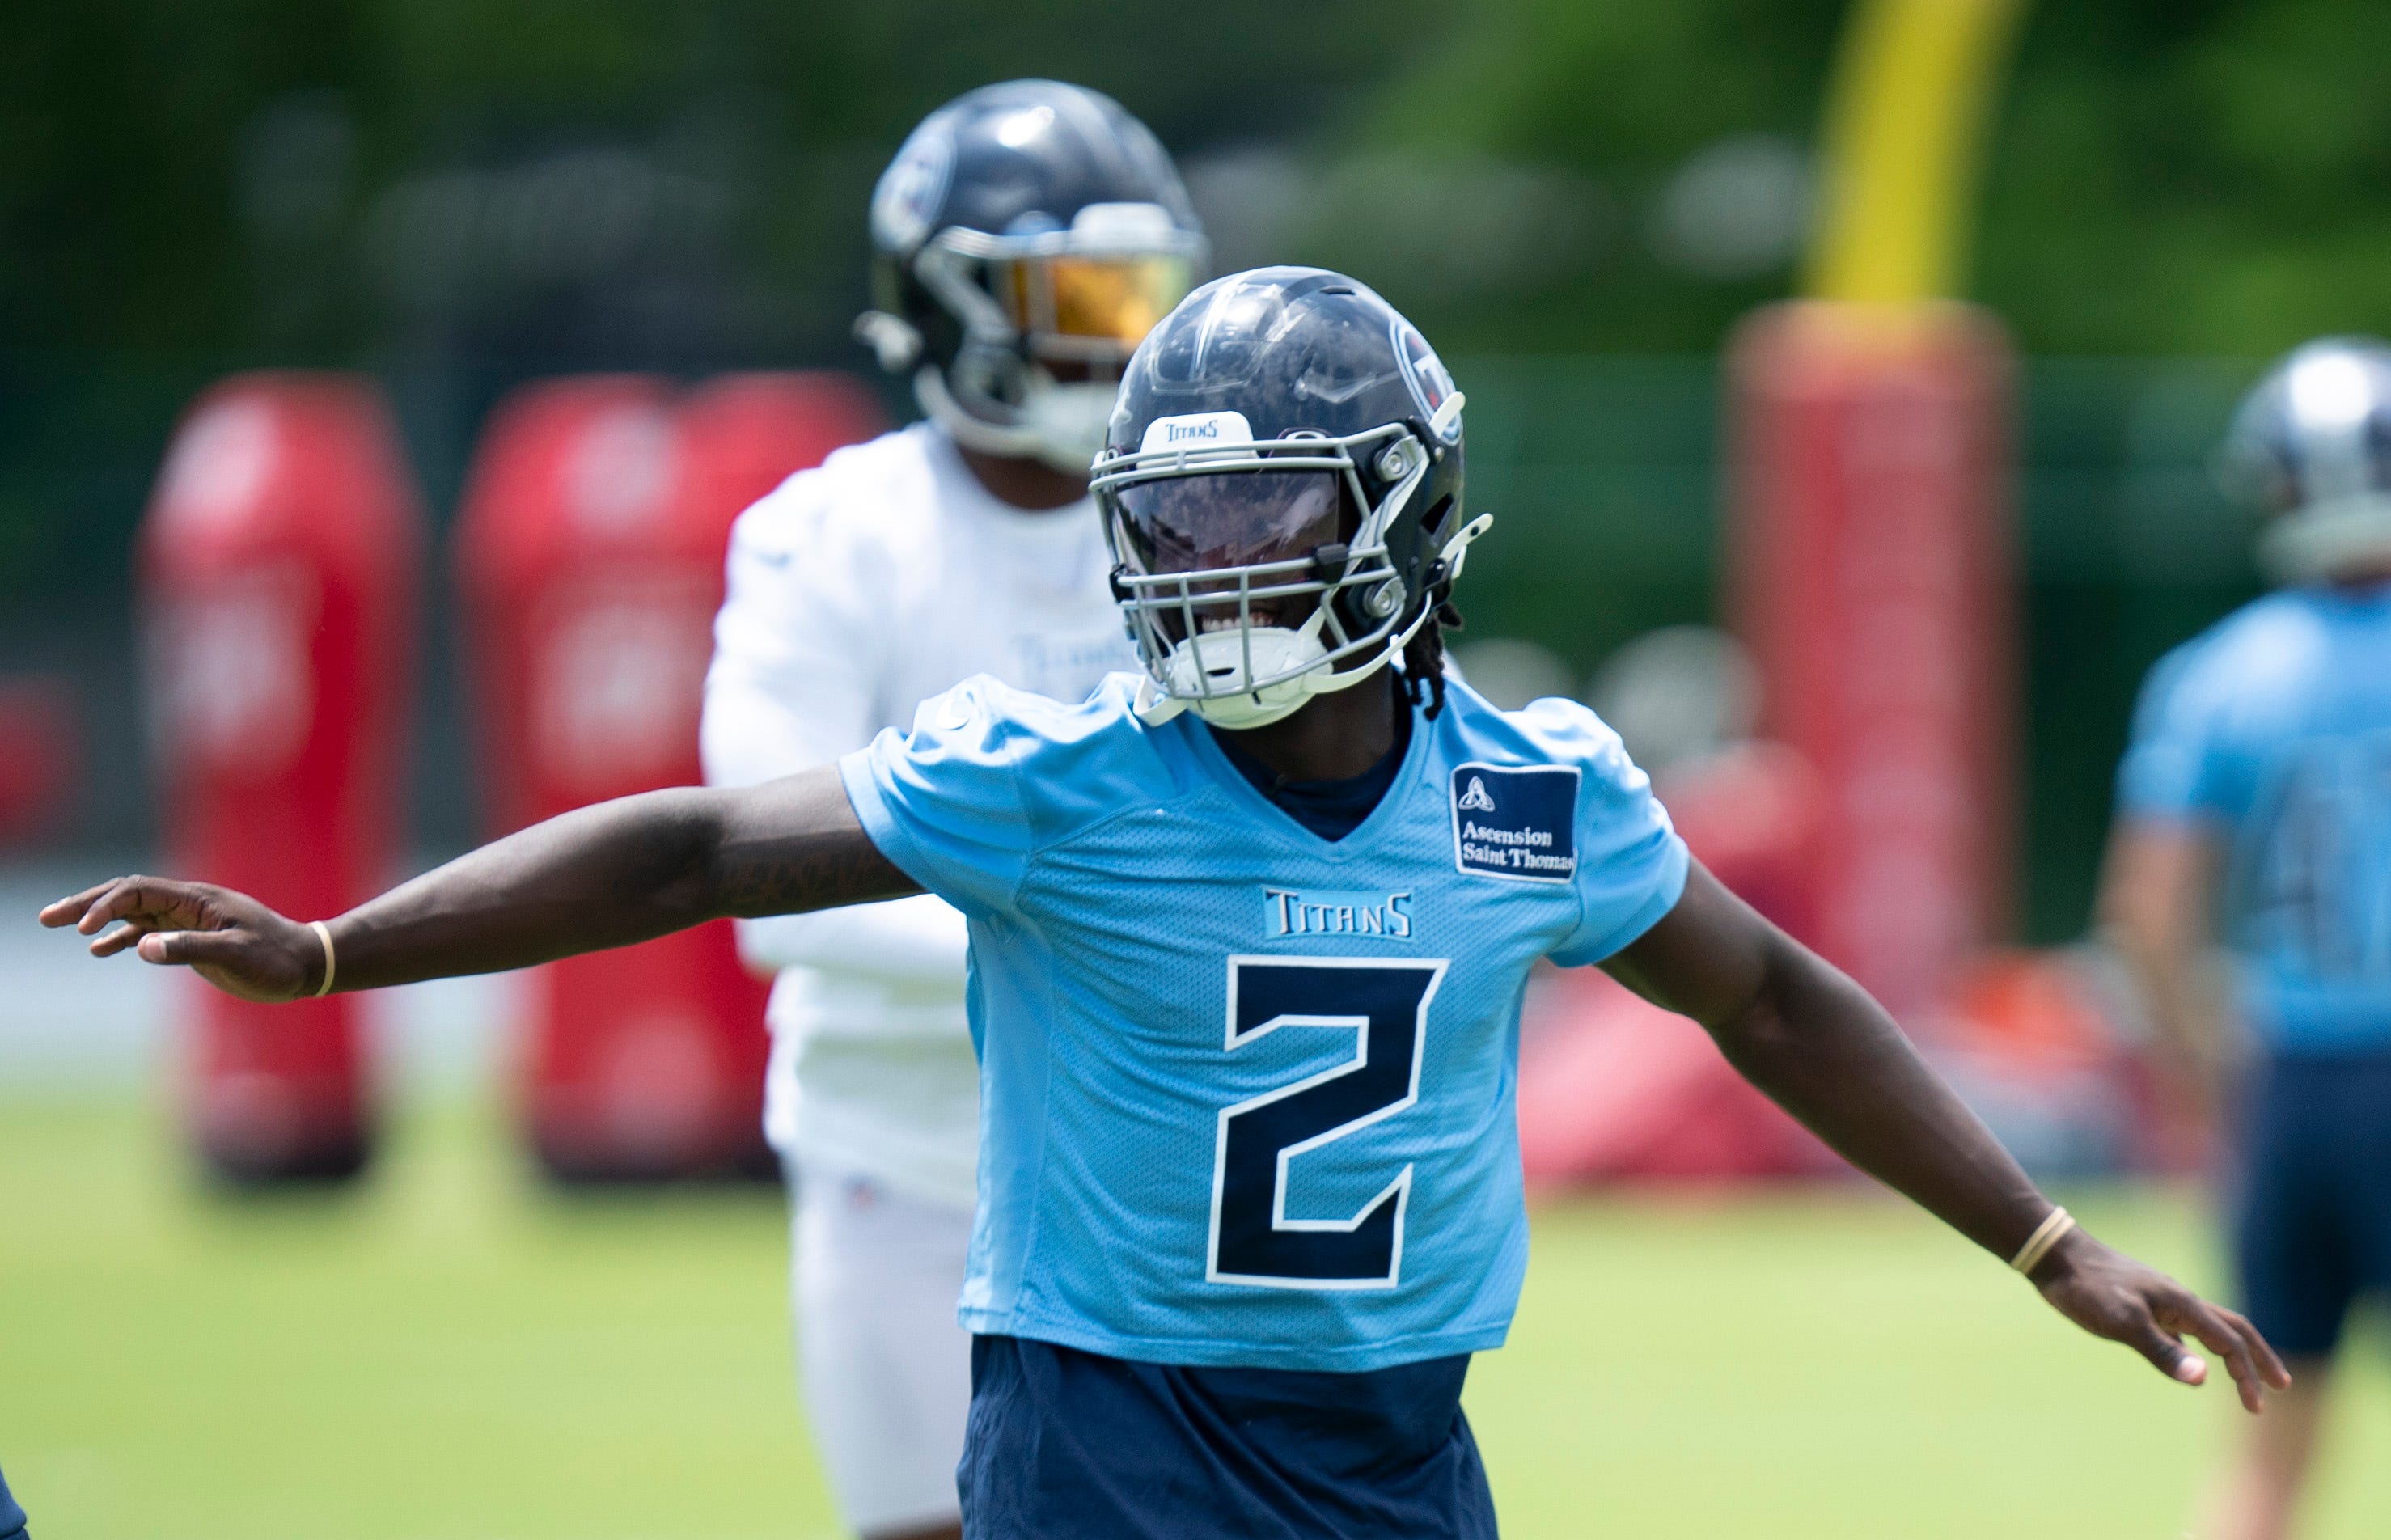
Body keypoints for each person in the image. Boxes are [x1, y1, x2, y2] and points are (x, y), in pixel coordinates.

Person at [47, 269, 2285, 1539]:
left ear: (1400, 514)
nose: (1209, 574)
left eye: (1262, 519)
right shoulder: (1057, 779)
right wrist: (335, 947)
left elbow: (1776, 1002)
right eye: (1174, 526)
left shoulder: (1534, 800)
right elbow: (693, 844)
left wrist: (2040, 1238)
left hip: (1395, 1434)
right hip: (1100, 1428)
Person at [700, 79, 1200, 1540]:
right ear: (954, 304)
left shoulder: (1213, 521)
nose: (1127, 336)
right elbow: (765, 882)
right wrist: (1101, 936)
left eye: (1144, 292)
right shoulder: (832, 538)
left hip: (1158, 1180)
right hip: (909, 1163)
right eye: (1083, 296)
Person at [2101, 336, 2391, 1540]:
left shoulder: (2219, 673)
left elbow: (2149, 914)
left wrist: (2207, 1080)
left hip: (2292, 1086)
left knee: (2267, 1458)